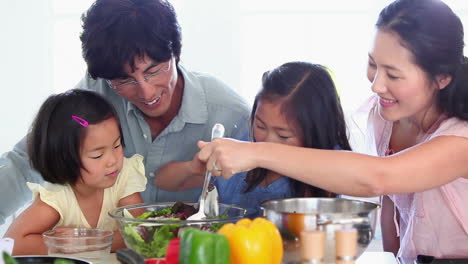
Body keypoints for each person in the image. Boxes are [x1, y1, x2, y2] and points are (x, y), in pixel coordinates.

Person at [197, 0, 468, 260]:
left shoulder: (461, 138)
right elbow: (392, 204)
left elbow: (380, 177)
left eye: (393, 75)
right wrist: (394, 258)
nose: (376, 85)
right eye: (373, 64)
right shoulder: (388, 115)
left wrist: (257, 152)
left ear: (442, 78)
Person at [0, 0, 250, 224]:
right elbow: (28, 159)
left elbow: (253, 202)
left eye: (154, 71)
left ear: (175, 54)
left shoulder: (231, 115)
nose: (146, 92)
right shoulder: (96, 92)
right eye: (124, 81)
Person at [157, 61, 352, 216]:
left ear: (316, 133)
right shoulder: (242, 146)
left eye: (283, 135)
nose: (266, 141)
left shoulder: (327, 168)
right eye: (260, 125)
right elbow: (162, 180)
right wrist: (193, 168)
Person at [4, 89, 147, 254]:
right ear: (64, 159)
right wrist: (65, 245)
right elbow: (11, 243)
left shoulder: (124, 176)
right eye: (97, 155)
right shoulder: (59, 196)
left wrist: (86, 241)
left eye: (117, 145)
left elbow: (142, 233)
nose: (113, 160)